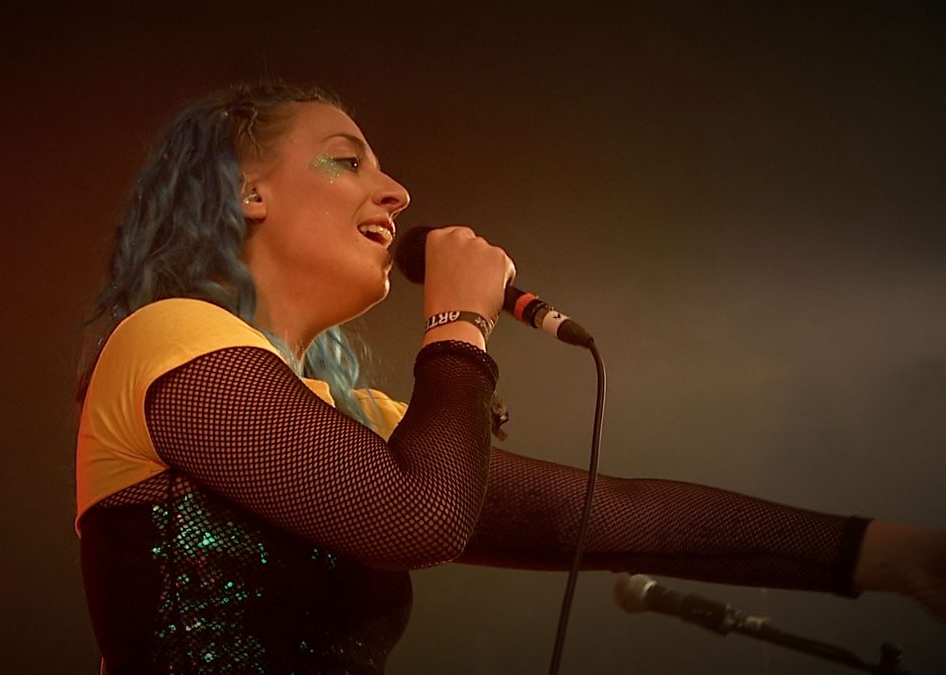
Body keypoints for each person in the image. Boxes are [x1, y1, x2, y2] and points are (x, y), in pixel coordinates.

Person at [74, 80, 944, 674]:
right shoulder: (168, 338)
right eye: (348, 160)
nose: (396, 190)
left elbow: (619, 516)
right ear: (246, 191)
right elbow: (419, 517)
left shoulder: (354, 421)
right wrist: (459, 324)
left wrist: (891, 554)